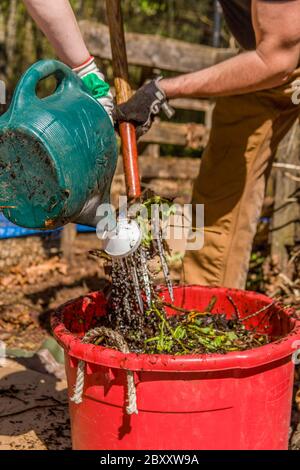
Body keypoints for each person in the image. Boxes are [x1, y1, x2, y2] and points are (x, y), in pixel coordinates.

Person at [24, 1, 300, 289]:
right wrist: (86, 71)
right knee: (220, 197)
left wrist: (163, 90)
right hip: (261, 59)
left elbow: (276, 61)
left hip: (273, 57)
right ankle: (211, 310)